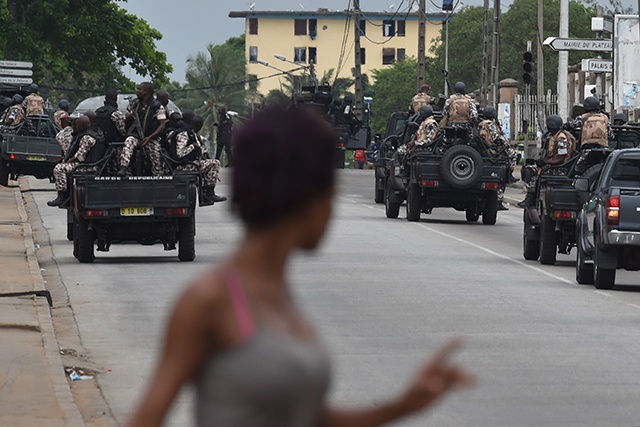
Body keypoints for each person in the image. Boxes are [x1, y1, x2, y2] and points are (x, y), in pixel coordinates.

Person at [123, 105, 473, 427]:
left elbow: (309, 418)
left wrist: (402, 406)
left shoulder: (278, 293)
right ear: (307, 198)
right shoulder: (211, 300)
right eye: (329, 195)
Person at [165, 113, 227, 203]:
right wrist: (192, 147)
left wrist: (204, 153)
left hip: (188, 163)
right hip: (181, 166)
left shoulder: (190, 132)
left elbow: (199, 147)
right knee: (215, 163)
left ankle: (206, 194)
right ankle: (209, 194)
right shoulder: (183, 133)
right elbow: (179, 154)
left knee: (210, 162)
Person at [518, 114, 577, 208]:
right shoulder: (553, 136)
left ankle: (531, 198)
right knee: (527, 168)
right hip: (552, 166)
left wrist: (546, 162)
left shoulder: (561, 138)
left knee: (531, 172)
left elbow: (561, 159)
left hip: (559, 169)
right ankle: (531, 195)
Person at [47, 115, 106, 206]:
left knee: (59, 168)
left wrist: (66, 162)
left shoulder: (87, 137)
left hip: (89, 167)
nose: (76, 128)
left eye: (77, 126)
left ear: (82, 126)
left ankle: (61, 196)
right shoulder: (91, 133)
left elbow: (79, 157)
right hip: (89, 164)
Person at [117, 82, 167, 176]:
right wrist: (128, 116)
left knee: (156, 156)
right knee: (129, 141)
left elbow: (162, 125)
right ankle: (123, 168)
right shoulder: (135, 104)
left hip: (151, 138)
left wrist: (150, 138)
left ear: (147, 92)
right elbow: (127, 117)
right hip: (136, 136)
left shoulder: (157, 106)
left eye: (140, 89)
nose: (137, 91)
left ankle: (158, 177)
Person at [565, 96, 614, 175]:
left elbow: (572, 125)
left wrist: (565, 126)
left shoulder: (583, 117)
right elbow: (611, 135)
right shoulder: (605, 118)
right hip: (604, 150)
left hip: (587, 149)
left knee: (576, 169)